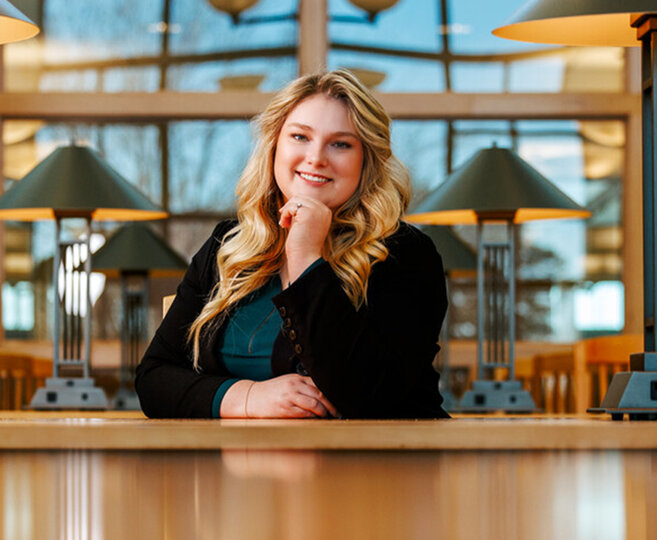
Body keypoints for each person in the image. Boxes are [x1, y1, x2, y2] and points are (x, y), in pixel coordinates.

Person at [136, 69, 449, 419]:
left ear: (366, 161)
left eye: (341, 144)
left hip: (382, 466)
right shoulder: (227, 247)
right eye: (300, 137)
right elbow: (154, 378)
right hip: (239, 466)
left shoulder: (405, 254)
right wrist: (248, 397)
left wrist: (305, 257)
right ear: (274, 145)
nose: (316, 158)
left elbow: (367, 395)